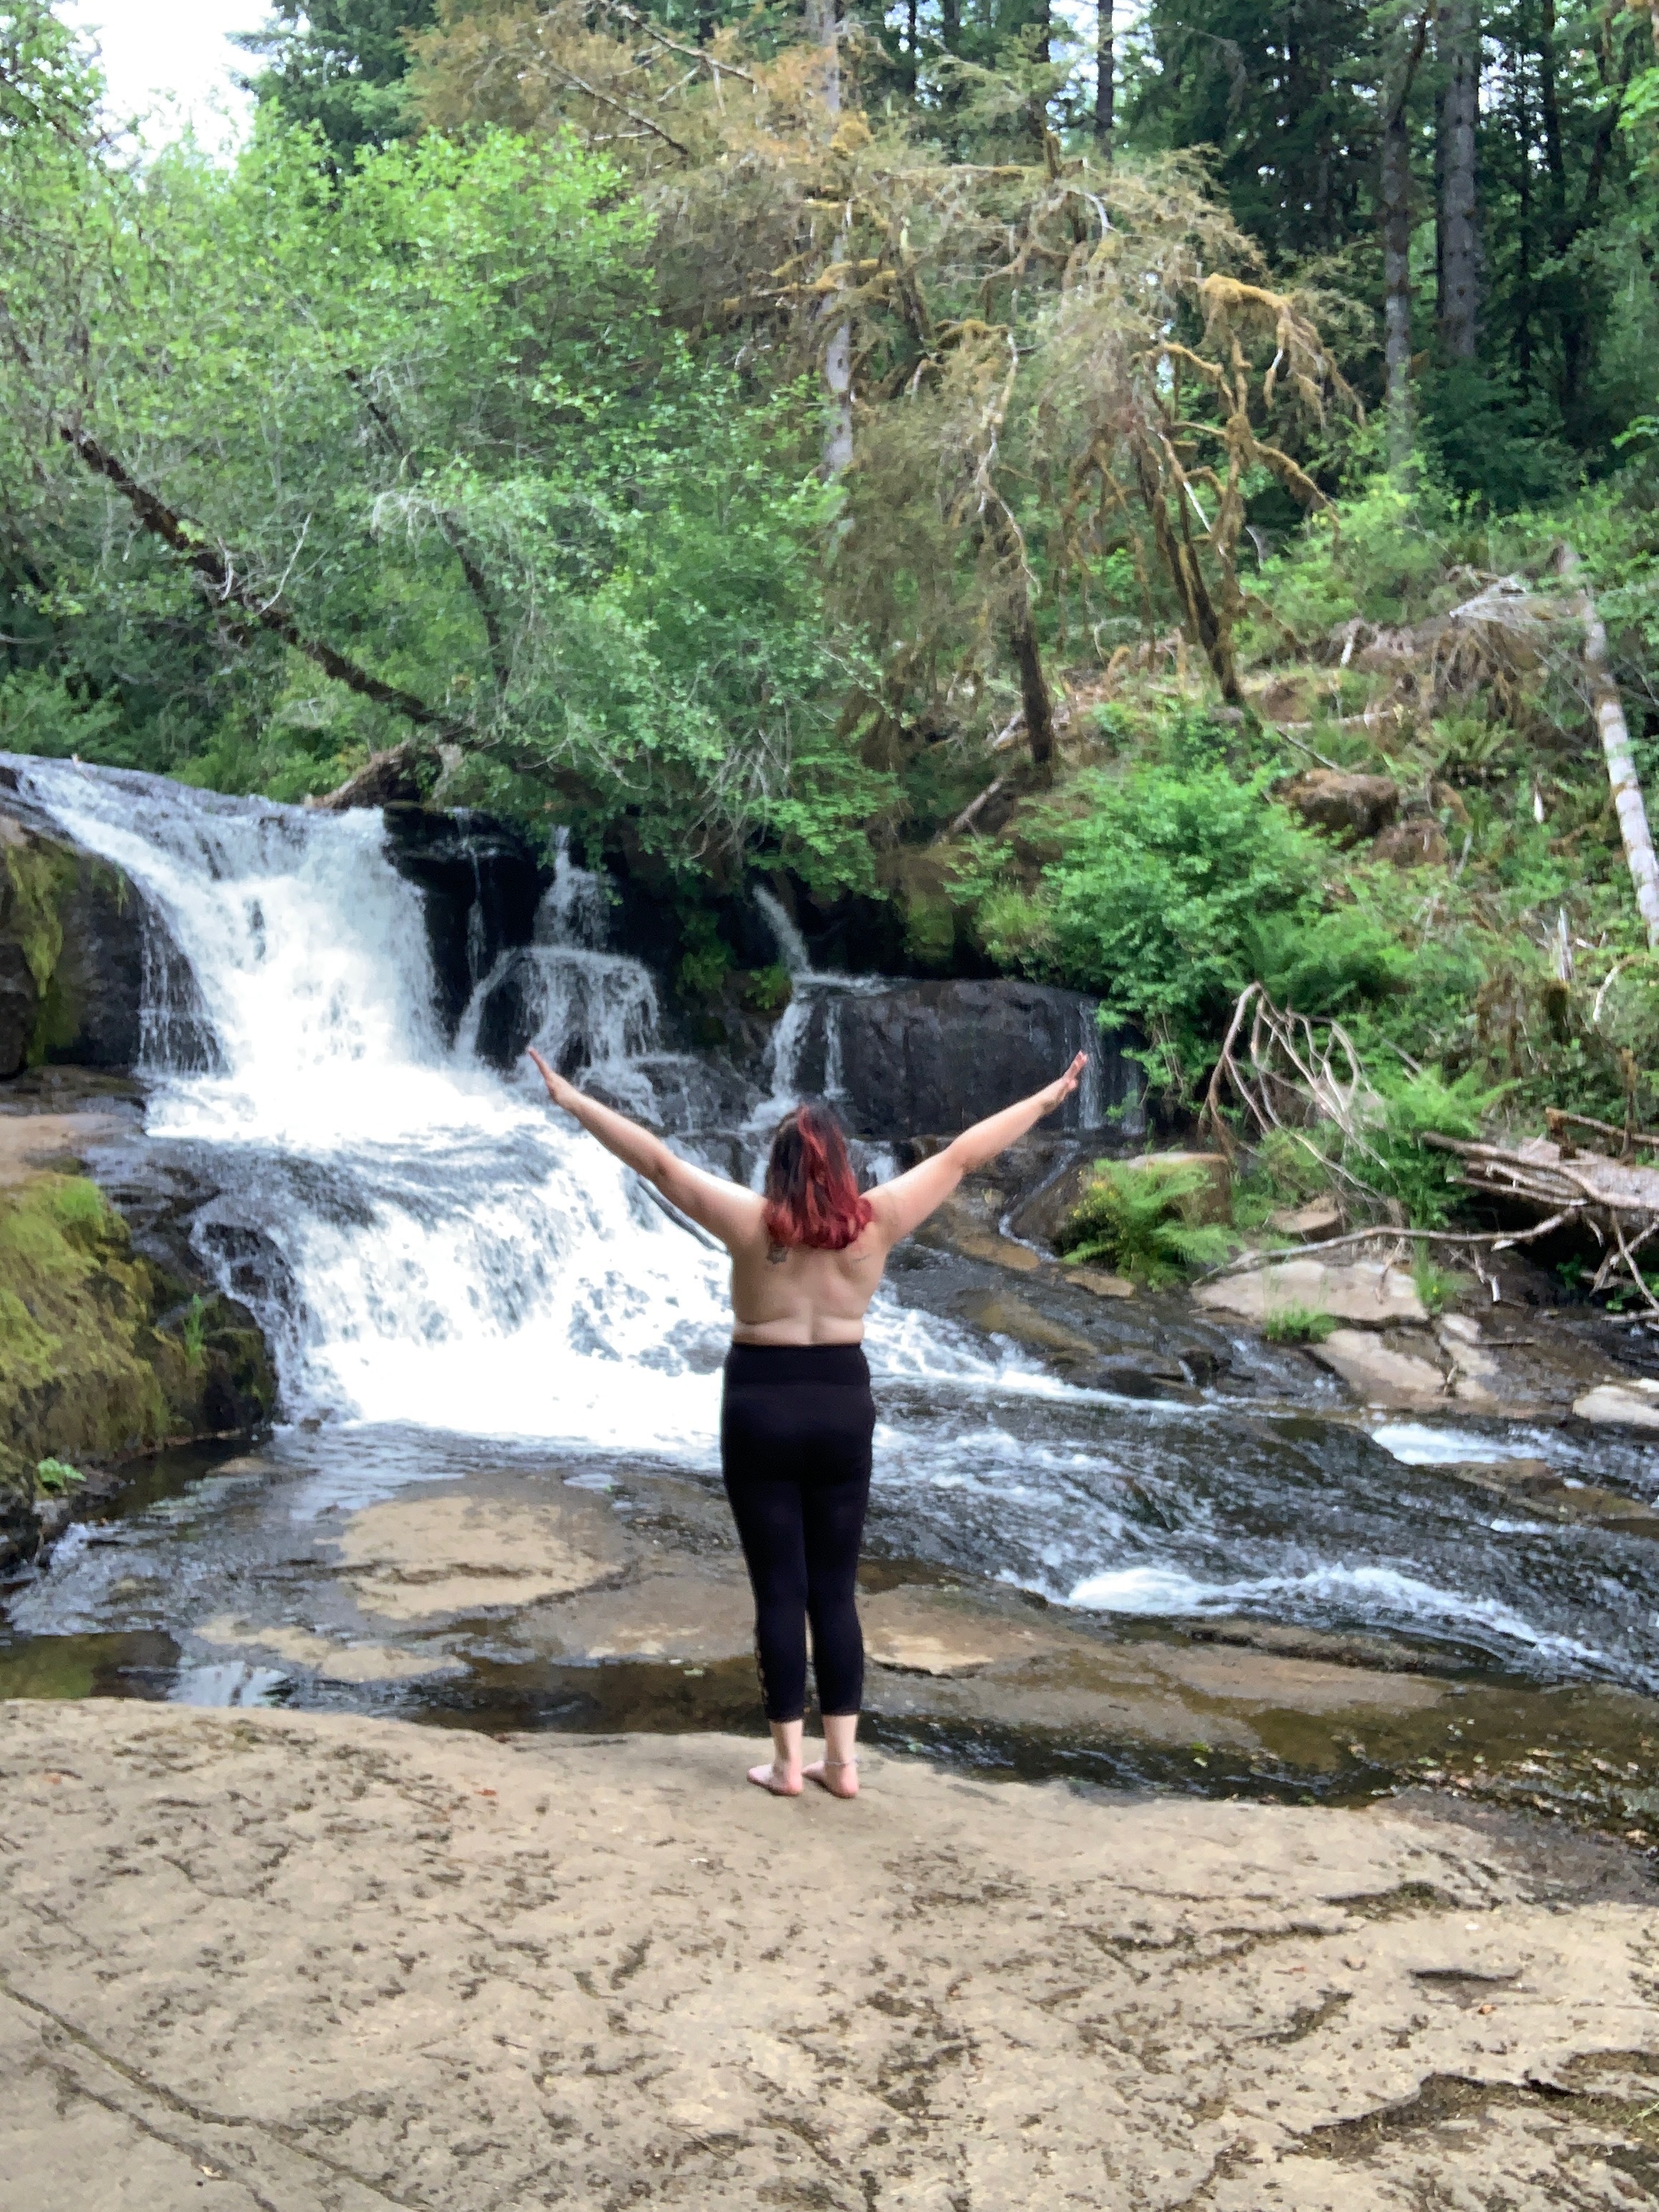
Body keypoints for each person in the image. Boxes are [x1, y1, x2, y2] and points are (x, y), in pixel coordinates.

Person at [528, 1043, 1087, 1800]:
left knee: (779, 1592)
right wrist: (1046, 1100)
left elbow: (657, 1163)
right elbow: (960, 1158)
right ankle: (844, 1765)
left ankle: (789, 1764)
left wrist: (570, 1098)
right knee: (835, 1589)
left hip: (761, 1402)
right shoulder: (877, 1222)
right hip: (841, 1405)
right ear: (845, 1166)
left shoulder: (751, 1223)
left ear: (780, 1166)